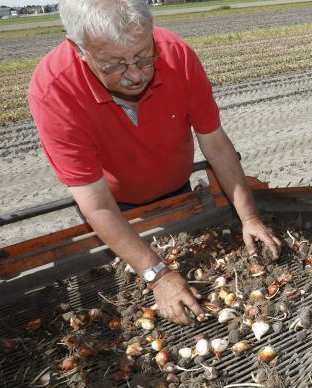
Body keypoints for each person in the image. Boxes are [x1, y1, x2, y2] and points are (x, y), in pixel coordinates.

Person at [27, 0, 281, 325]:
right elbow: (97, 203)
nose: (135, 75)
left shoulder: (177, 55)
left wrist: (250, 216)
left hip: (176, 188)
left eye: (144, 57)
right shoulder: (54, 90)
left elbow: (216, 146)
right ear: (78, 48)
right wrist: (158, 276)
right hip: (114, 207)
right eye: (114, 64)